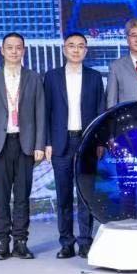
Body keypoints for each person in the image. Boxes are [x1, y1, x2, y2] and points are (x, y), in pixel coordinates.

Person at [0, 33, 45, 260]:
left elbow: (40, 113)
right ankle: (2, 243)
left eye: (18, 47)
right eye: (10, 47)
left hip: (25, 144)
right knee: (1, 196)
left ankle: (21, 242)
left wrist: (39, 144)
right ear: (2, 50)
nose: (14, 51)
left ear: (24, 51)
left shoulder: (34, 78)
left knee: (23, 196)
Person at [43, 32, 106, 259]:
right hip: (61, 143)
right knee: (64, 196)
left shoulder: (94, 77)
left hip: (86, 142)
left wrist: (99, 142)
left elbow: (101, 111)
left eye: (80, 46)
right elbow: (45, 112)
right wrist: (47, 142)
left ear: (86, 51)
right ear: (64, 49)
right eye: (71, 46)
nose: (76, 50)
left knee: (86, 194)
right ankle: (66, 243)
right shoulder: (51, 77)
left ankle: (85, 242)